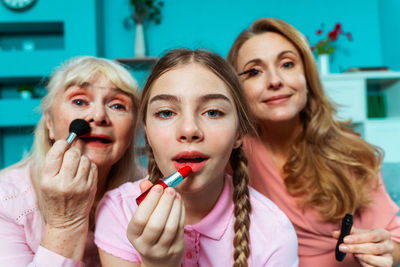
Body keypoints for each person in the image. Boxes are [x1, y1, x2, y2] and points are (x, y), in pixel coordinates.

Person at [94, 48, 299, 266]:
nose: (189, 129)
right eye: (165, 112)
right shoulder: (119, 209)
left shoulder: (274, 230)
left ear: (239, 133)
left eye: (212, 112)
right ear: (147, 132)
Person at [227, 17, 400, 267]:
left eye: (287, 64)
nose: (275, 81)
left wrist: (384, 249)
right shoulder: (228, 156)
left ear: (307, 77)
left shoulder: (351, 152)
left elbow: (395, 240)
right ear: (237, 89)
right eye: (254, 71)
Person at [0, 56, 142, 266]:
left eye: (117, 106)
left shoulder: (150, 190)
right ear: (49, 122)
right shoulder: (7, 200)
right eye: (79, 101)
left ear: (132, 131)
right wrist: (64, 224)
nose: (99, 115)